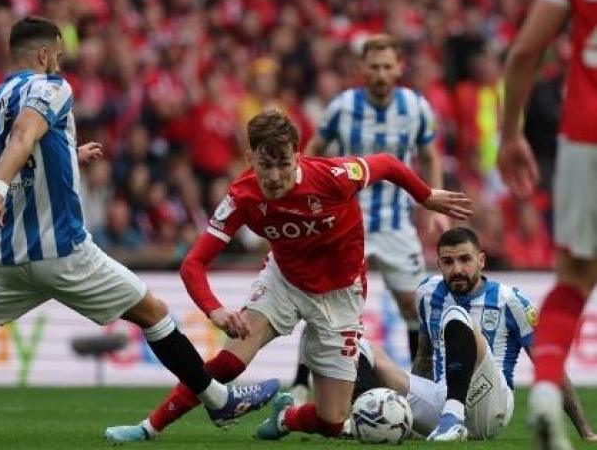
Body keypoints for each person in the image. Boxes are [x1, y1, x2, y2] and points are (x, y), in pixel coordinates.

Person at [0, 16, 279, 442]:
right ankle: (217, 400)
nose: (61, 66)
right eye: (59, 57)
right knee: (153, 313)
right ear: (45, 54)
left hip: (6, 256)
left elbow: (23, 147)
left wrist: (68, 153)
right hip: (62, 250)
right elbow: (24, 137)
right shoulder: (52, 87)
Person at [104, 108, 471, 442]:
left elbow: (389, 164)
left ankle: (288, 418)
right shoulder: (241, 198)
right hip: (284, 281)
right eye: (265, 165)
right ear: (250, 159)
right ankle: (149, 427)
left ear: (298, 155)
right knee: (230, 362)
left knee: (331, 421)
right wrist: (214, 310)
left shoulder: (334, 176)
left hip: (341, 294)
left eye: (283, 163)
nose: (275, 176)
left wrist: (424, 196)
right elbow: (193, 264)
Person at [291, 33, 448, 405]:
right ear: (363, 69)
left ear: (398, 68)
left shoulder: (416, 106)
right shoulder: (342, 107)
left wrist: (433, 202)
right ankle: (300, 383)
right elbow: (312, 151)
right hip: (346, 222)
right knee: (326, 305)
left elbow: (429, 156)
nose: (380, 73)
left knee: (413, 303)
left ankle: (414, 385)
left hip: (395, 222)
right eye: (373, 67)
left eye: (387, 66)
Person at [354, 227, 594, 442]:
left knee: (456, 314)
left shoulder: (509, 300)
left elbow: (547, 364)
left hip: (490, 406)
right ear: (438, 264)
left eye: (465, 260)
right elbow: (424, 356)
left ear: (481, 261)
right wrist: (409, 407)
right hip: (439, 398)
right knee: (357, 344)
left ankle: (453, 419)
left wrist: (584, 430)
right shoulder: (427, 293)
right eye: (448, 262)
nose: (457, 269)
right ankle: (361, 417)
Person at [497, 0, 597, 448]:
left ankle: (543, 393)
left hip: (584, 137)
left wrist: (510, 132)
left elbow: (523, 52)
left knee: (574, 279)